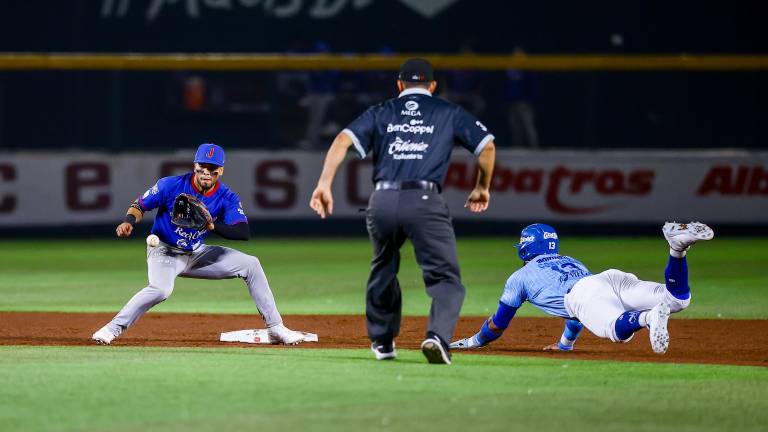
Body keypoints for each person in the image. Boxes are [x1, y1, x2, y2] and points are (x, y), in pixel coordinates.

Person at [309, 58, 497, 364]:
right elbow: (487, 146)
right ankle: (437, 337)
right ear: (433, 86)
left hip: (381, 201)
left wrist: (324, 184)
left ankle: (383, 341)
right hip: (424, 200)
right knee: (445, 277)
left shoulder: (381, 111)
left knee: (383, 267)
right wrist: (482, 186)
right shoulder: (448, 111)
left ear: (399, 85)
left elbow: (342, 139)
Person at [91, 143, 304, 345]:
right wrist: (128, 222)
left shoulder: (226, 197)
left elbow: (243, 232)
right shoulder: (171, 185)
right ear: (195, 166)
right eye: (202, 167)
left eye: (212, 169)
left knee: (251, 264)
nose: (206, 173)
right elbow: (139, 205)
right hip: (165, 251)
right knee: (160, 290)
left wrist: (212, 225)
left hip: (196, 253)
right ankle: (112, 328)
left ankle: (276, 326)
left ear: (220, 170)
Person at [451, 222, 714, 354]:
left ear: (526, 246)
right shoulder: (568, 260)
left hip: (583, 293)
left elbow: (498, 324)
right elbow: (577, 315)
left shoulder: (519, 277)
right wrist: (565, 345)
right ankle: (677, 248)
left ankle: (648, 317)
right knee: (677, 300)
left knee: (615, 329)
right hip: (609, 279)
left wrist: (474, 341)